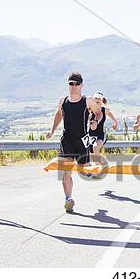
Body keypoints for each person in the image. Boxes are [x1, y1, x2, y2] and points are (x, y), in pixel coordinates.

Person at [45, 72, 101, 213]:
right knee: (67, 171)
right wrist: (52, 131)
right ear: (68, 85)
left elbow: (98, 112)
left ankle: (88, 168)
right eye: (71, 83)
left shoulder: (87, 101)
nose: (74, 86)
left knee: (83, 169)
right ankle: (68, 199)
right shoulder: (62, 101)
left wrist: (95, 122)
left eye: (77, 83)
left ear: (81, 85)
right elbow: (59, 114)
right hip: (67, 140)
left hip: (82, 140)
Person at [87, 91, 118, 175]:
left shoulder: (105, 110)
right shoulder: (89, 110)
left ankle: (99, 169)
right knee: (93, 153)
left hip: (101, 134)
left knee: (95, 148)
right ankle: (98, 167)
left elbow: (111, 114)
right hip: (90, 135)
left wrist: (115, 123)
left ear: (102, 100)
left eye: (99, 98)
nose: (97, 100)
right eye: (95, 98)